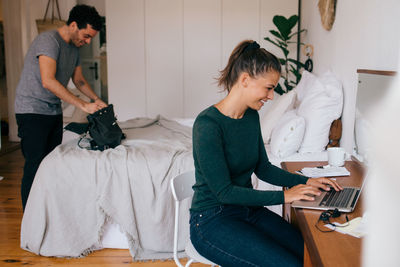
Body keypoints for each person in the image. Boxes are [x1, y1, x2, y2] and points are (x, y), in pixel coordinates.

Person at [190, 40, 343, 267]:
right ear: (245, 80)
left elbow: (263, 168)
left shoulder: (251, 116)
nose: (271, 96)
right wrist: (285, 196)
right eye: (269, 88)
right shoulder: (208, 124)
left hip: (247, 211)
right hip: (212, 220)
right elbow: (224, 192)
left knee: (311, 254)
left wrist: (307, 181)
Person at [14, 4, 107, 211]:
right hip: (32, 110)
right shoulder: (49, 41)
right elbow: (48, 81)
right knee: (35, 164)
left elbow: (79, 80)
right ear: (73, 25)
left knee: (52, 162)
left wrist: (96, 100)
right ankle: (30, 216)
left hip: (52, 110)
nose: (88, 41)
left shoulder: (74, 48)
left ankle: (48, 210)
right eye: (86, 35)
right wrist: (83, 104)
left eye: (91, 37)